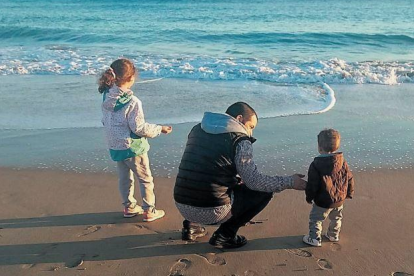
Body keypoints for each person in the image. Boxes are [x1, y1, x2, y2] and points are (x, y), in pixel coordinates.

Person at [174, 102, 307, 249]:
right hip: (213, 211)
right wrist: (290, 182)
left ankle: (190, 227)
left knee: (198, 174)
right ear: (239, 119)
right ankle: (226, 235)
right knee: (264, 192)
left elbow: (204, 166)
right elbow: (254, 182)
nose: (250, 133)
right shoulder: (240, 140)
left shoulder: (196, 129)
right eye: (251, 127)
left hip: (181, 205)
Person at [98, 58, 172, 222]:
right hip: (133, 147)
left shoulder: (106, 97)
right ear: (131, 79)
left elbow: (105, 120)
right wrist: (159, 129)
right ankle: (149, 209)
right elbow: (139, 128)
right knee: (145, 178)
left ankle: (129, 206)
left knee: (125, 178)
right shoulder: (132, 101)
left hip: (115, 145)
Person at [303, 129, 355, 247]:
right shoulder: (342, 161)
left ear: (319, 147)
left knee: (316, 219)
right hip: (339, 199)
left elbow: (313, 184)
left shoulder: (316, 164)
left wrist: (309, 197)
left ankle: (314, 238)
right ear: (337, 146)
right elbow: (349, 177)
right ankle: (333, 234)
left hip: (323, 200)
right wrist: (349, 192)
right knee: (336, 218)